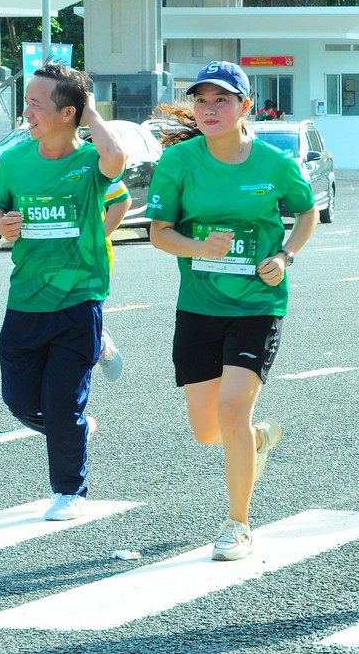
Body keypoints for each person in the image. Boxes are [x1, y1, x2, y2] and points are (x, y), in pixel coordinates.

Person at [147, 61, 317, 561]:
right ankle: (255, 439)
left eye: (222, 100)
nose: (210, 109)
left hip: (257, 304)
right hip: (198, 306)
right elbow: (159, 233)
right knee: (207, 432)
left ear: (245, 107)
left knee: (231, 408)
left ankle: (238, 524)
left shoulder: (273, 162)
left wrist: (285, 257)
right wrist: (200, 247)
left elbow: (306, 211)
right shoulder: (178, 163)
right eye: (202, 100)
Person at [0, 62, 126, 522]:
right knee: (21, 402)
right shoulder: (13, 161)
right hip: (26, 297)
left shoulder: (88, 163)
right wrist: (0, 223)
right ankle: (76, 430)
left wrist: (90, 113)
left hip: (79, 298)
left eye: (36, 103)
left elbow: (117, 161)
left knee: (63, 402)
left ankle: (70, 490)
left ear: (68, 112)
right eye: (26, 100)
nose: (26, 111)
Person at [97, 178, 131, 380]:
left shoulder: (90, 157)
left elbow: (122, 200)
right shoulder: (25, 156)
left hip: (89, 259)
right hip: (42, 260)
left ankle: (98, 344)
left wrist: (95, 238)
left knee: (80, 326)